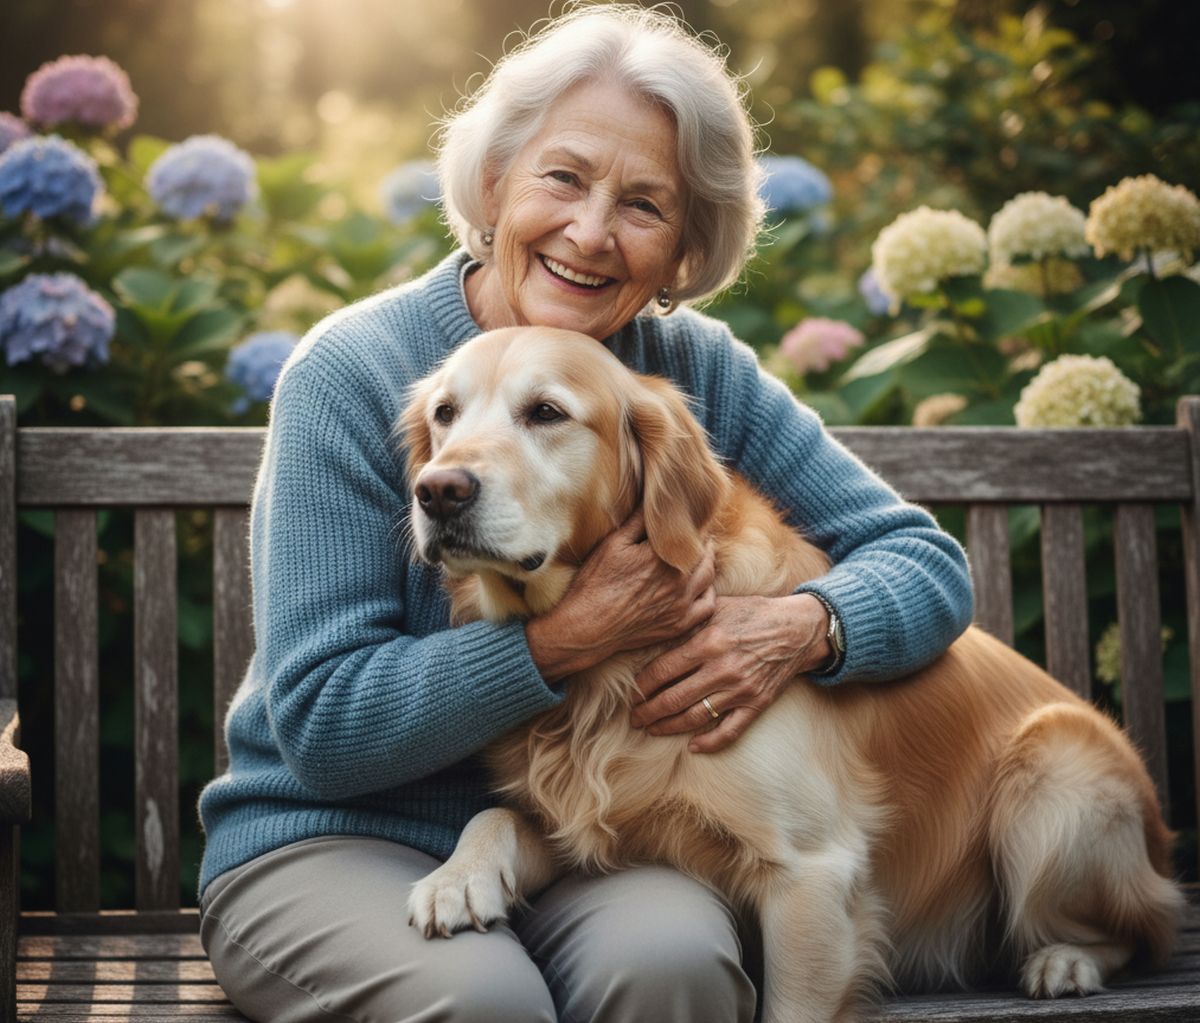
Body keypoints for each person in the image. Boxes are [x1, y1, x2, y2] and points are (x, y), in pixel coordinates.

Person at [198, 6, 974, 1021]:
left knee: (673, 967)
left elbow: (924, 562)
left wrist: (797, 628)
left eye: (644, 204)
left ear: (685, 246)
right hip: (339, 835)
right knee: (484, 1003)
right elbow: (325, 727)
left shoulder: (691, 375)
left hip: (597, 838)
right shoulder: (355, 375)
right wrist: (568, 639)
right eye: (563, 178)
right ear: (494, 183)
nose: (592, 232)